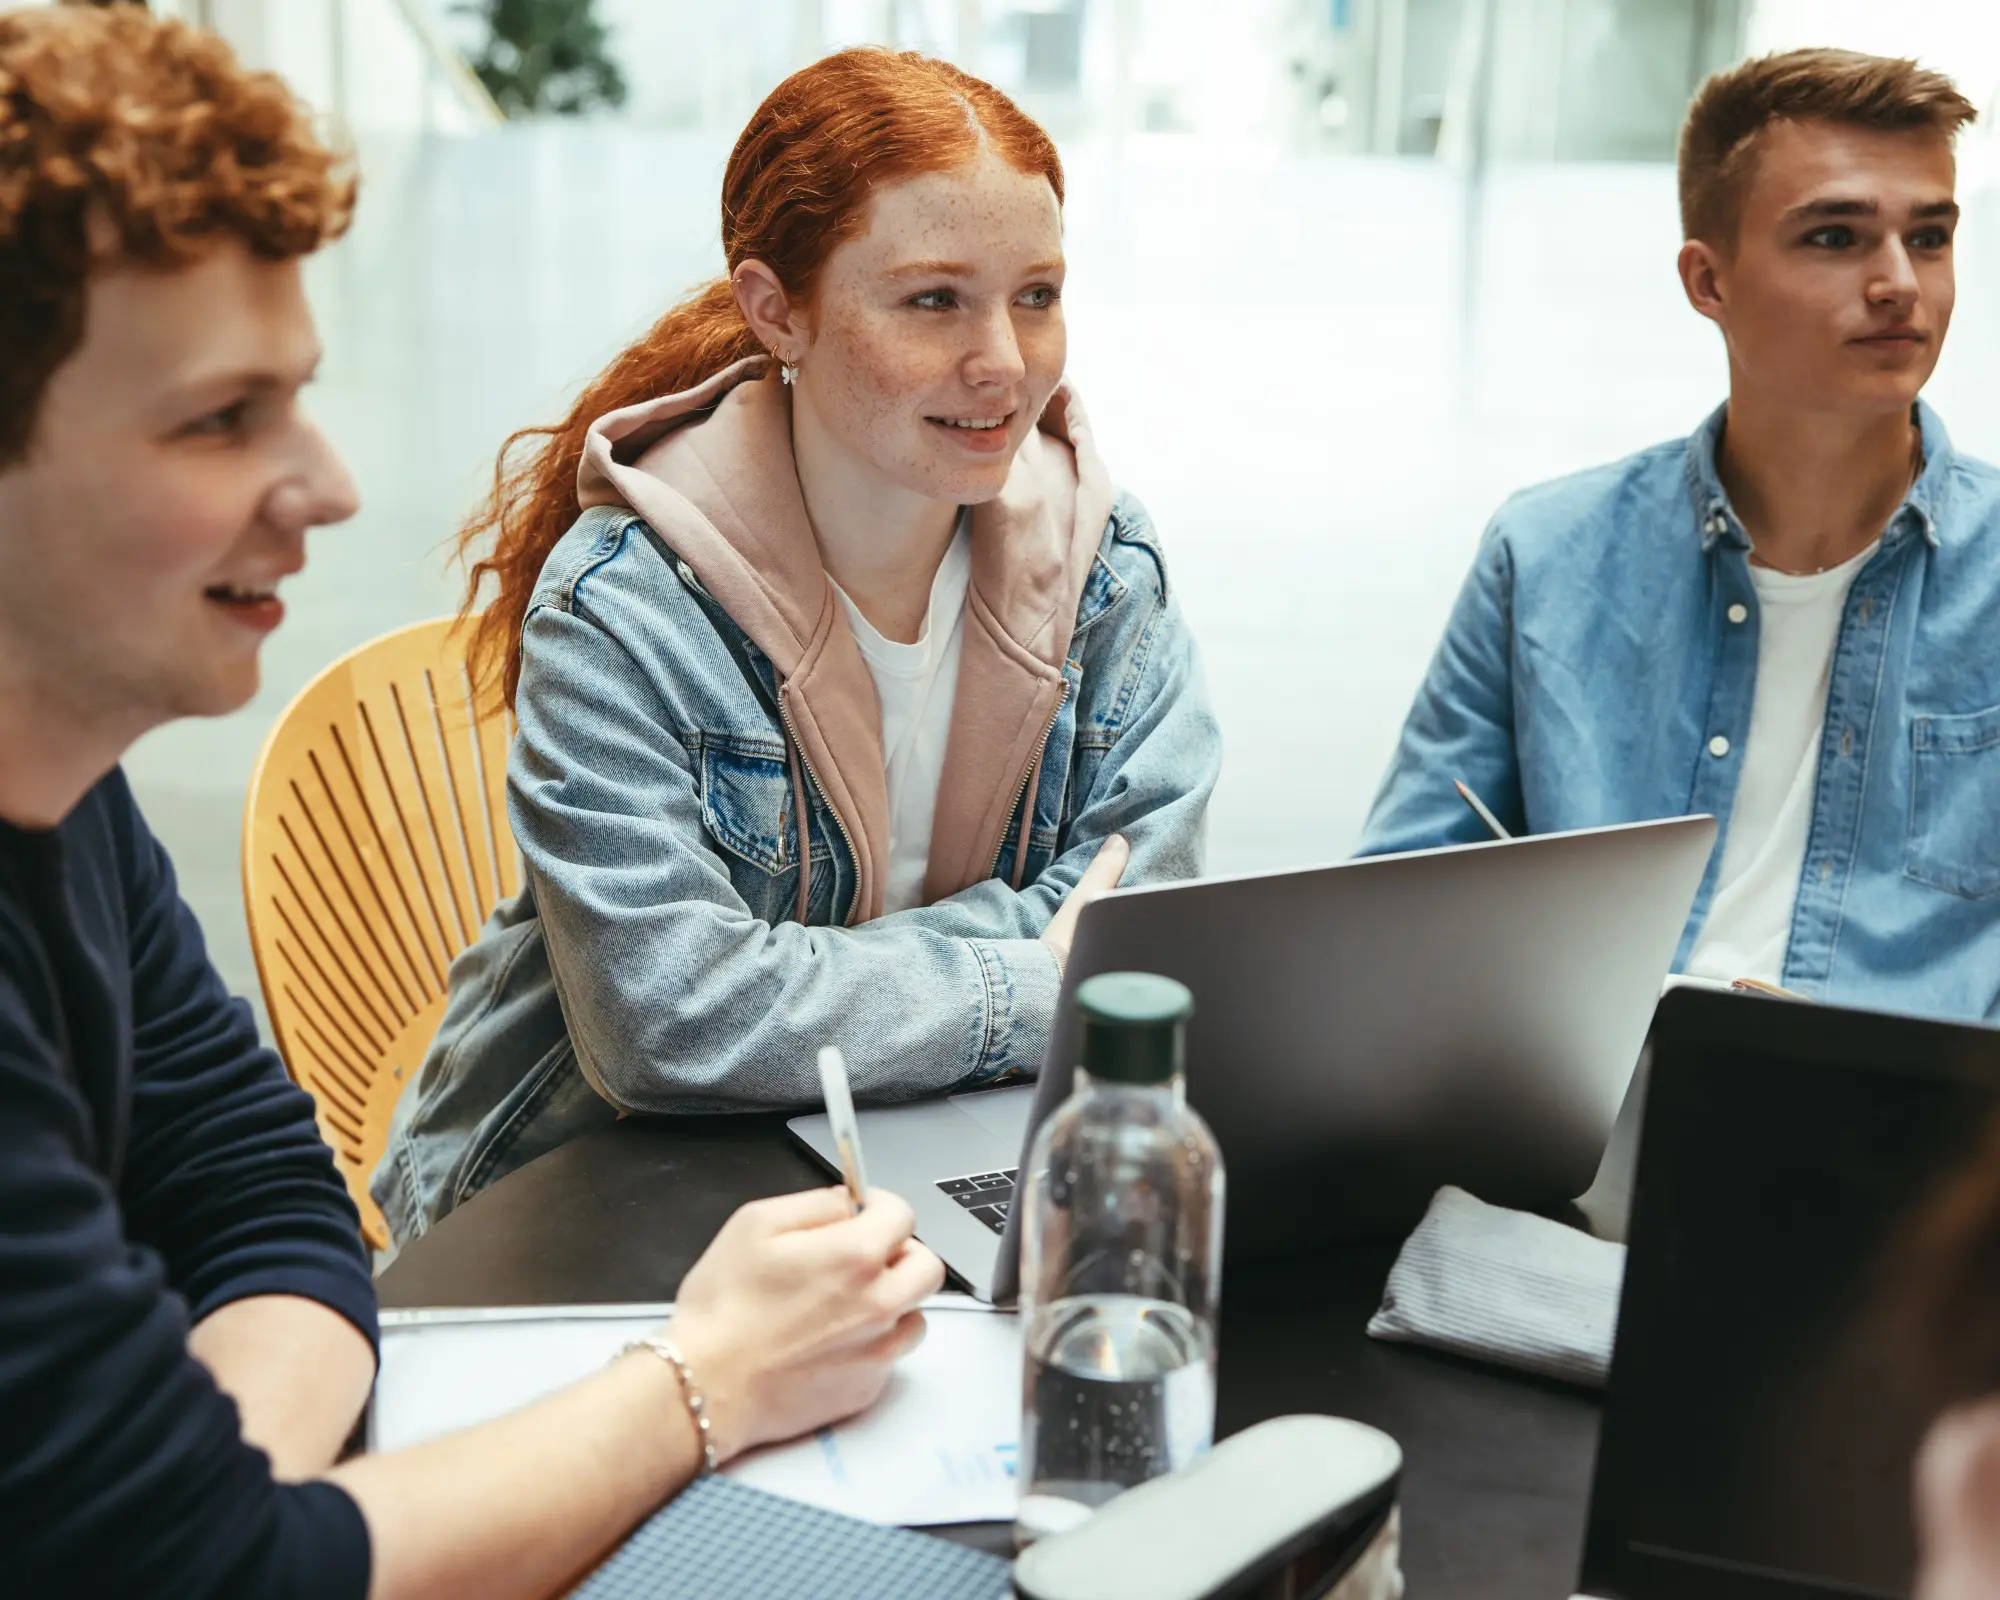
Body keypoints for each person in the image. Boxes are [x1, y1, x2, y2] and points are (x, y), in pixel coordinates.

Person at [0, 11, 942, 1597]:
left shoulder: (60, 798)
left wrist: (187, 1512)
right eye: (221, 419)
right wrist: (701, 1382)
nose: (328, 483)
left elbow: (260, 1191)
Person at [372, 49, 1222, 1242]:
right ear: (778, 308)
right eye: (935, 299)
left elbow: (1151, 935)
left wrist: (788, 977)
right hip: (589, 1189)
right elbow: (665, 1023)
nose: (1002, 360)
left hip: (935, 1150)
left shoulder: (1105, 566)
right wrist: (1034, 971)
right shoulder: (627, 603)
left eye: (1035, 294)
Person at [1358, 49, 2000, 1019]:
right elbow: (1390, 920)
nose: (1896, 283)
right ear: (1707, 281)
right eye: (1834, 236)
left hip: (1920, 1147)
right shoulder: (1545, 557)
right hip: (1587, 1133)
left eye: (1929, 236)